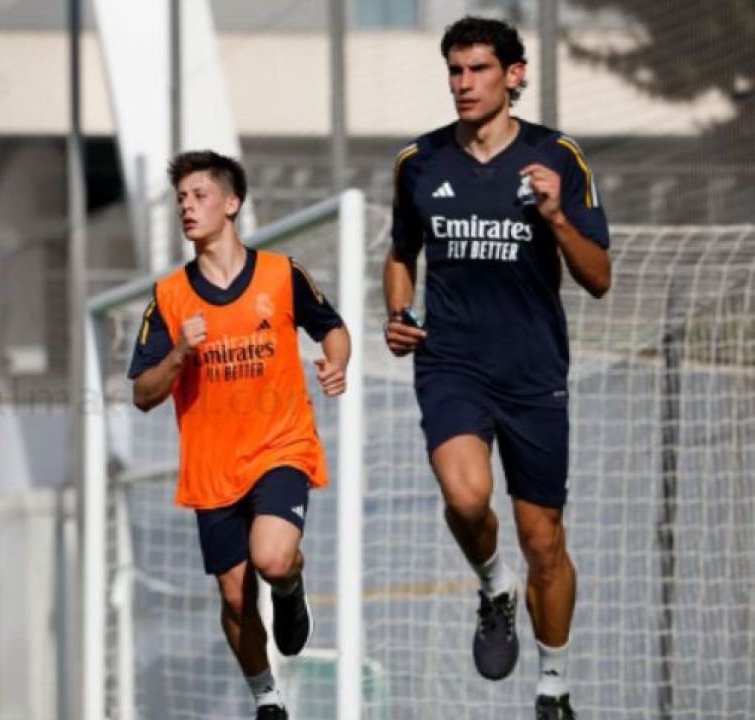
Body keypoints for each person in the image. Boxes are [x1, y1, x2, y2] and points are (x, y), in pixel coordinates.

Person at [384, 17, 612, 720]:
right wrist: (398, 312)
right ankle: (493, 587)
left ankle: (554, 683)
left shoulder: (557, 156)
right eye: (455, 71)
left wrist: (557, 217)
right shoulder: (419, 161)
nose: (464, 83)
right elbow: (401, 254)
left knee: (544, 540)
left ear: (514, 75)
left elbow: (600, 278)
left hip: (533, 372)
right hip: (451, 364)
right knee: (465, 498)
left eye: (478, 69)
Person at [128, 150, 351, 720]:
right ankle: (267, 698)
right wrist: (180, 352)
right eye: (181, 198)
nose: (187, 207)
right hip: (212, 468)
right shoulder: (170, 297)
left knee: (272, 560)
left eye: (199, 195)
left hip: (281, 445)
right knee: (233, 597)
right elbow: (144, 393)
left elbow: (332, 328)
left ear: (232, 204)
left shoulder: (280, 274)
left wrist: (337, 363)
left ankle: (290, 586)